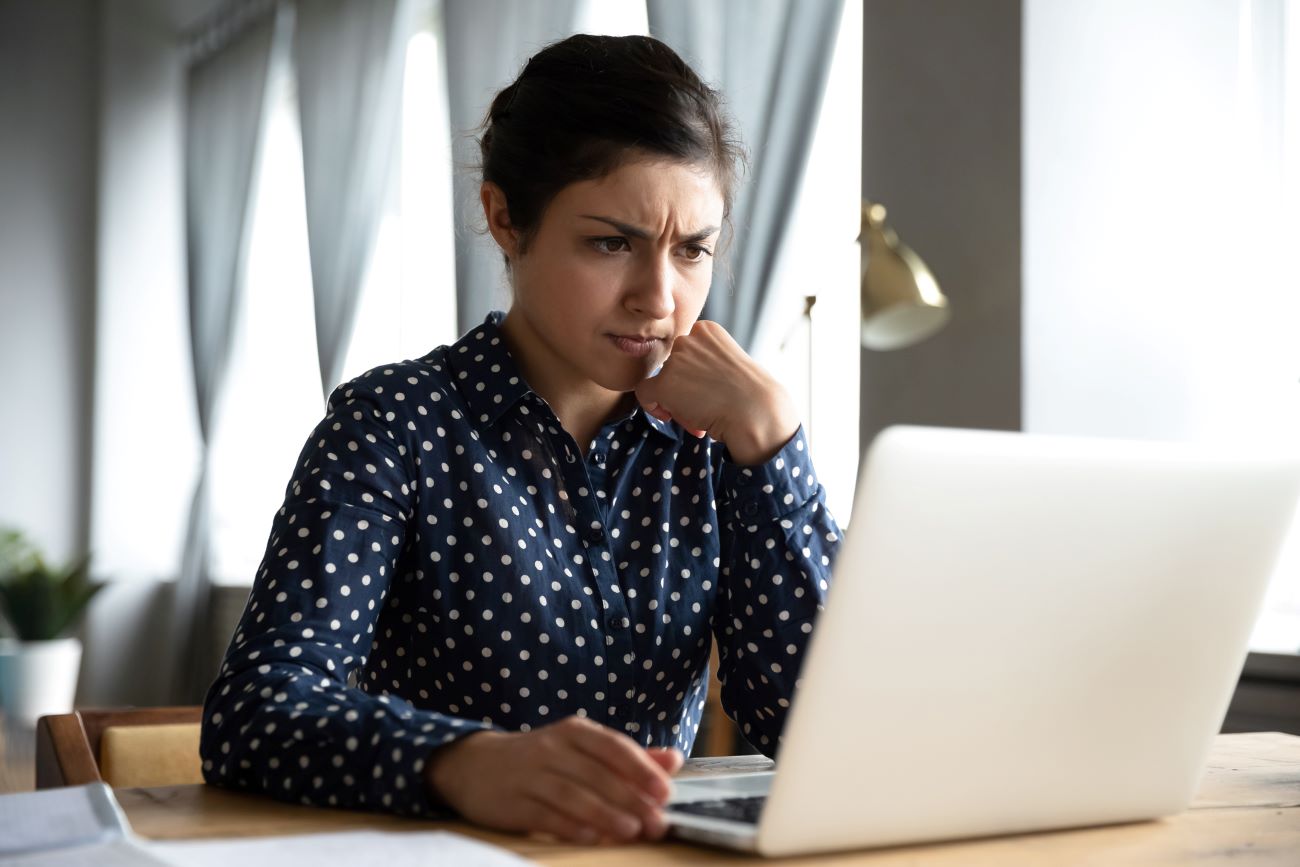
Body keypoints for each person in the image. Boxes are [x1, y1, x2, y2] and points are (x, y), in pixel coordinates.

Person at [200, 33, 841, 846]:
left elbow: (818, 729)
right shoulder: (395, 423)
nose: (659, 298)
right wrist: (463, 761)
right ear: (505, 218)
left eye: (692, 250)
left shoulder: (717, 441)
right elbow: (258, 708)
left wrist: (773, 444)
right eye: (612, 243)